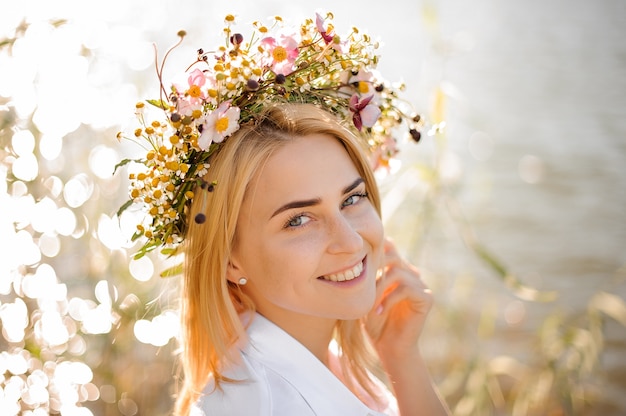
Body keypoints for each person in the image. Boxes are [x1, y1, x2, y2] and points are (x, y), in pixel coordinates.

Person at [117, 12, 449, 416]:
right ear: (229, 259)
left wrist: (402, 358)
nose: (349, 241)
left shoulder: (315, 364)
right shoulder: (258, 403)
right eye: (298, 219)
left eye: (351, 199)